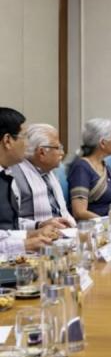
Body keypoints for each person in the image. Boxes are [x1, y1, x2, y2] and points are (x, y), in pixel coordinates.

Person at [0, 108, 65, 254]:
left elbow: (7, 230)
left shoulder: (5, 175)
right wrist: (25, 244)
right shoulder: (14, 175)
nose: (27, 145)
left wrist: (34, 232)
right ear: (7, 140)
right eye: (23, 137)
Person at [7, 124, 75, 227]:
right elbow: (8, 222)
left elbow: (63, 212)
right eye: (58, 148)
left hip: (64, 232)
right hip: (34, 234)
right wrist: (39, 225)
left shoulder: (50, 171)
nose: (62, 153)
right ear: (42, 152)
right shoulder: (13, 176)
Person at [67, 118, 111, 219]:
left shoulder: (104, 165)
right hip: (96, 226)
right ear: (103, 143)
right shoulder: (81, 168)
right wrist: (108, 223)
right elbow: (79, 212)